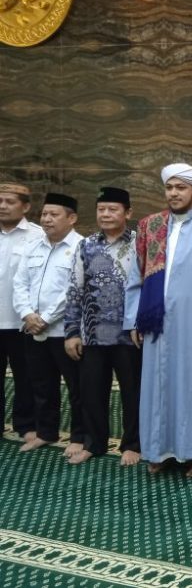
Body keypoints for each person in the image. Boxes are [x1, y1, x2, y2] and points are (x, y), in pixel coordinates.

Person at [124, 163, 192, 477]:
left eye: (181, 187)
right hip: (156, 323)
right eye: (169, 187)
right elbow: (136, 275)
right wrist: (134, 319)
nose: (174, 193)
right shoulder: (151, 226)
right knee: (158, 385)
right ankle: (159, 450)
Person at [64, 186, 142, 466]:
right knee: (92, 392)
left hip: (130, 335)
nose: (106, 214)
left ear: (127, 213)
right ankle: (93, 443)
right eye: (101, 209)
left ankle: (133, 444)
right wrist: (72, 332)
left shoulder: (140, 243)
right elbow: (75, 289)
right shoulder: (86, 245)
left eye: (112, 209)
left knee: (133, 393)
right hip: (93, 334)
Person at [13, 193, 84, 457]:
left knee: (76, 387)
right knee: (41, 384)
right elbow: (20, 283)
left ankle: (79, 436)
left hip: (65, 331)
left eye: (54, 214)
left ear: (72, 218)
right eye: (44, 214)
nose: (47, 219)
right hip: (32, 329)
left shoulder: (81, 247)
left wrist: (45, 318)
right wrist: (27, 314)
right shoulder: (33, 246)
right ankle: (46, 432)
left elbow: (75, 289)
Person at [0, 183, 42, 442]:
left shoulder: (37, 236)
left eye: (9, 201)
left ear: (25, 207)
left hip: (22, 321)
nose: (3, 206)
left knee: (26, 376)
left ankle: (26, 425)